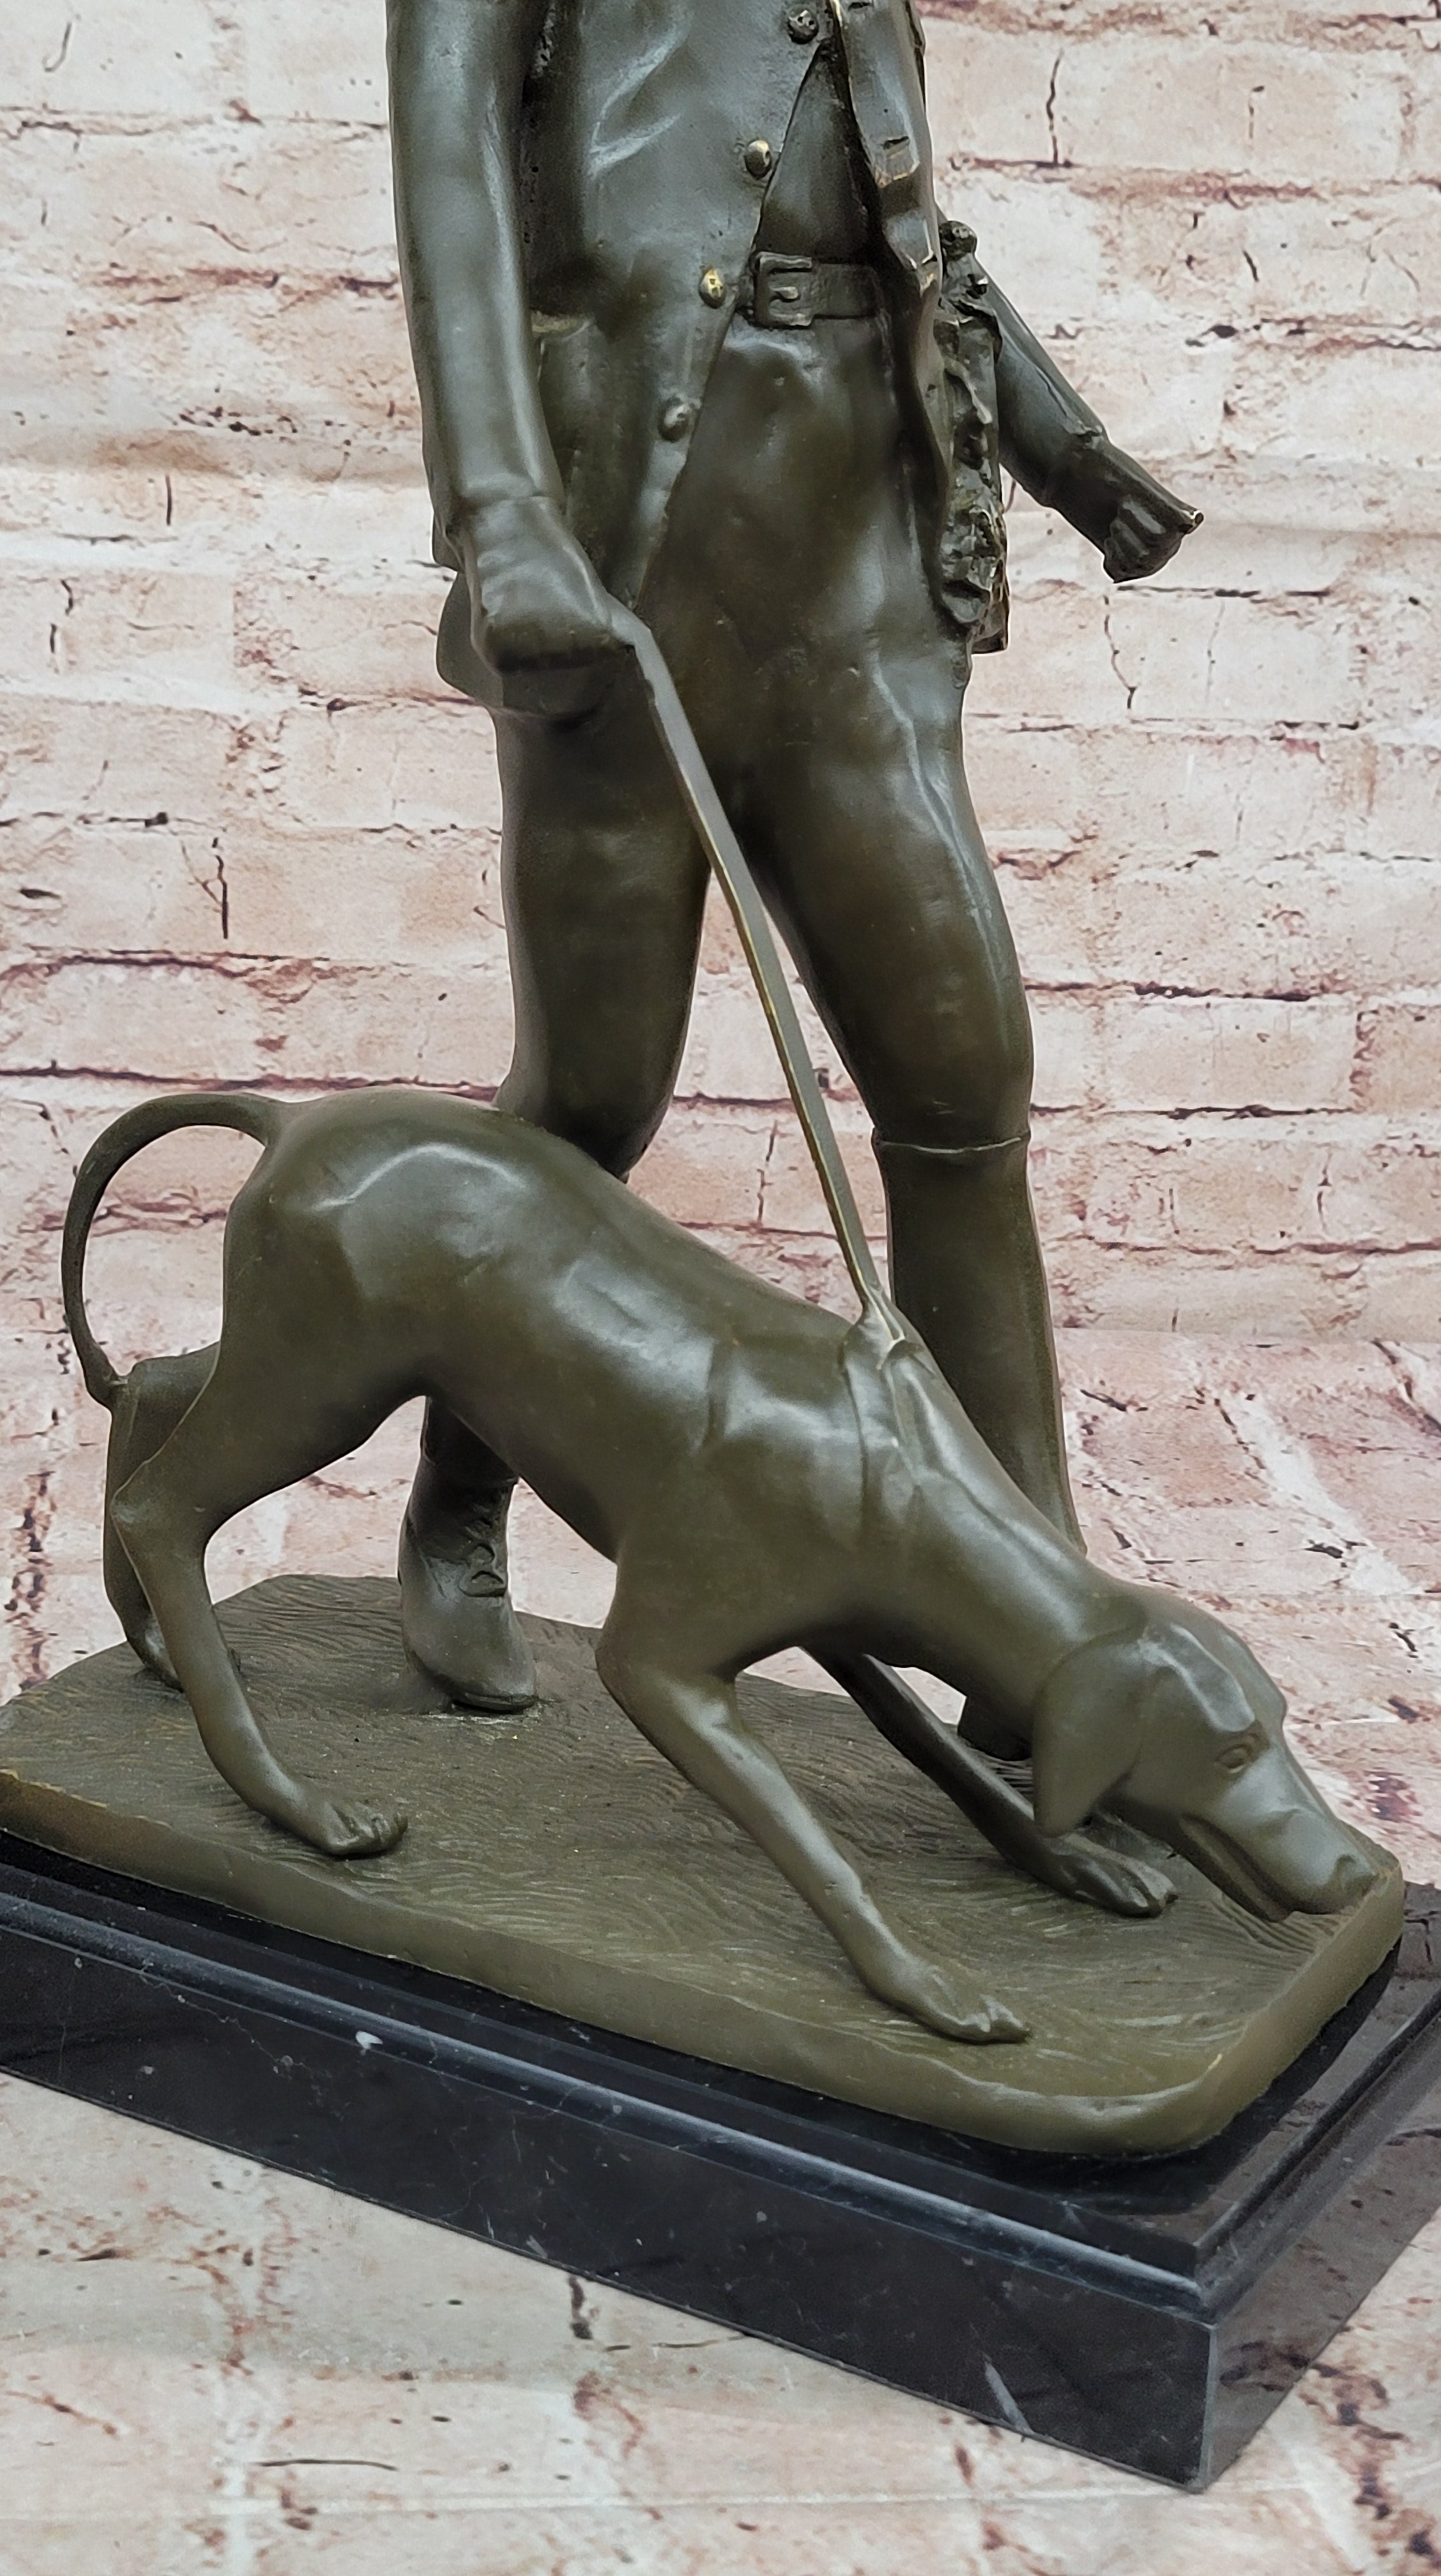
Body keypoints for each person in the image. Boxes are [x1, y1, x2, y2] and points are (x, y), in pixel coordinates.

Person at [386, 0, 1200, 1720]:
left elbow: (909, 241)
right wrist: (504, 520)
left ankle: (1043, 1641)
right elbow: (452, 183)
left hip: (858, 585)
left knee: (962, 1082)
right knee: (594, 1097)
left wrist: (1063, 448)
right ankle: (461, 1490)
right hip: (631, 563)